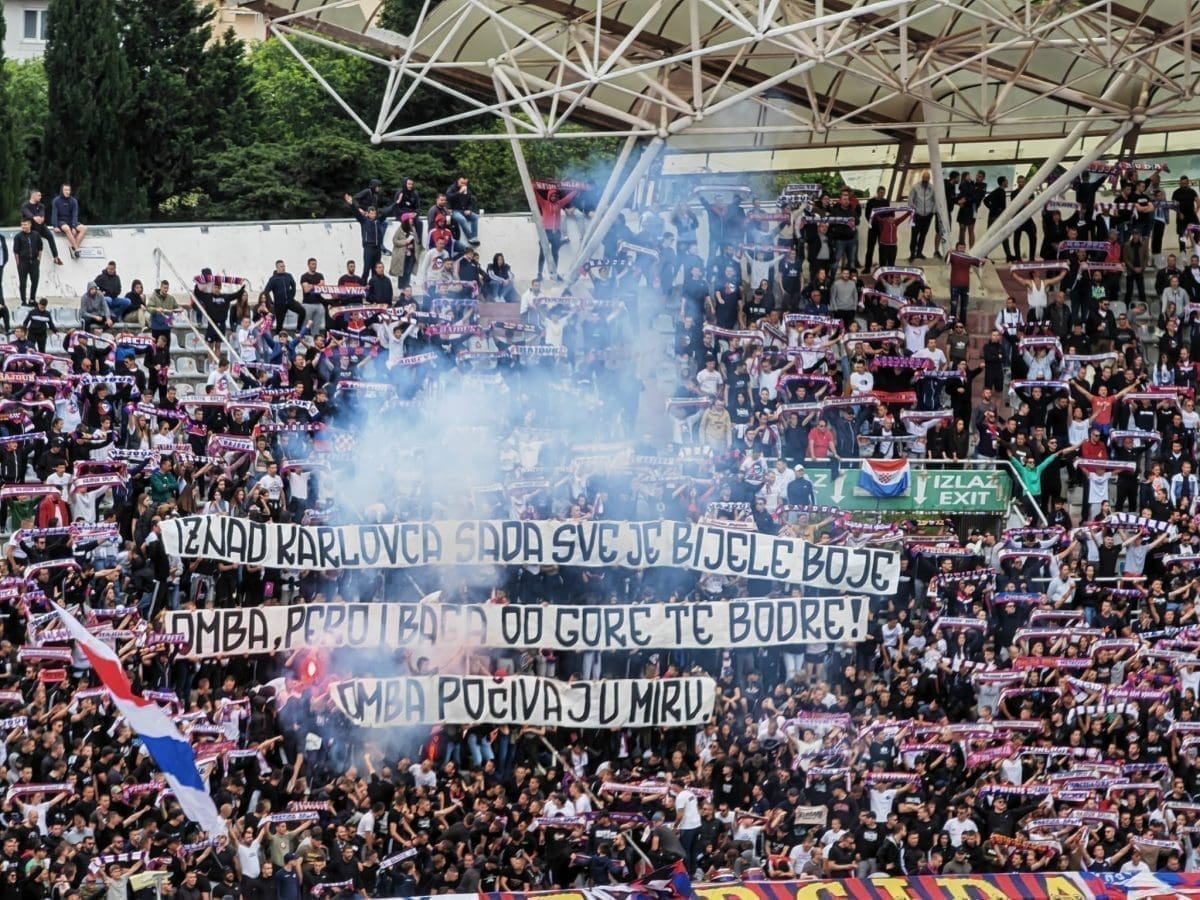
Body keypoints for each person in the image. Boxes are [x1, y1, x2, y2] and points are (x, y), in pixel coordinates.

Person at [19, 189, 62, 265]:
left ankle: (56, 257)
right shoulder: (25, 205)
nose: (40, 197)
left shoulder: (41, 205)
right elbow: (30, 216)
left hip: (41, 227)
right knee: (34, 241)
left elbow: (41, 217)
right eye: (39, 195)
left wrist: (38, 218)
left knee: (50, 236)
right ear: (33, 195)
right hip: (31, 228)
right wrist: (35, 218)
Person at [265, 259, 303, 335]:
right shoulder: (273, 279)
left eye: (284, 266)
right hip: (279, 304)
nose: (283, 268)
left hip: (290, 301)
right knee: (279, 324)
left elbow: (294, 286)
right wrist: (271, 302)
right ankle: (278, 338)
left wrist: (292, 296)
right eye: (281, 266)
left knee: (302, 311)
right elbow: (266, 291)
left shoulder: (288, 276)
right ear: (277, 268)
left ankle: (298, 329)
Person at [50, 183, 88, 257]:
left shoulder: (73, 201)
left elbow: (75, 214)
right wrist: (55, 226)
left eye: (69, 190)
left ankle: (74, 247)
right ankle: (77, 249)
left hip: (71, 221)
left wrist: (73, 226)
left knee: (84, 228)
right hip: (61, 221)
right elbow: (54, 214)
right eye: (65, 190)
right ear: (62, 191)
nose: (67, 192)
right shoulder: (56, 200)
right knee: (66, 228)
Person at [13, 218, 43, 307]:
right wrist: (18, 263)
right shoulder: (18, 236)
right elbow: (16, 252)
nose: (24, 227)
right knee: (23, 282)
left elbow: (40, 248)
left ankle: (32, 299)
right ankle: (23, 301)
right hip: (23, 262)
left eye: (25, 225)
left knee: (35, 281)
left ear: (30, 225)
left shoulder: (36, 235)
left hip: (34, 261)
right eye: (22, 225)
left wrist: (38, 260)